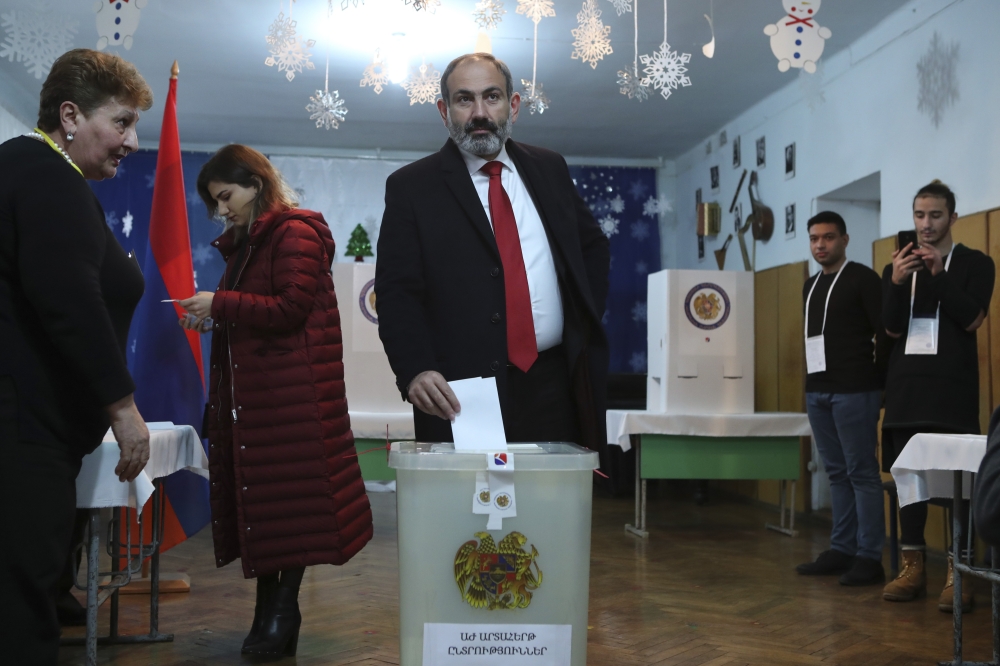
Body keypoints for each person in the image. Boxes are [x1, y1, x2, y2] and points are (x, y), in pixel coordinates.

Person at [179, 144, 373, 657]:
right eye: (215, 203)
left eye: (226, 197)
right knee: (270, 513)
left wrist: (220, 302)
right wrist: (214, 317)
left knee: (289, 513)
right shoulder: (251, 242)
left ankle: (280, 613)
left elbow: (289, 308)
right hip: (268, 400)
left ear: (256, 184)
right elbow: (263, 312)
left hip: (294, 401)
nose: (222, 211)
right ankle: (273, 614)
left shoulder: (295, 233)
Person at [374, 53, 610, 451]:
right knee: (468, 509)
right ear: (443, 111)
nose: (480, 112)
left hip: (555, 382)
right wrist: (414, 369)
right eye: (464, 99)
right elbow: (397, 293)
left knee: (550, 505)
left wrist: (581, 323)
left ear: (513, 105)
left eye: (492, 97)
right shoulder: (411, 188)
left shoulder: (550, 168)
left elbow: (591, 247)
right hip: (459, 392)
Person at [0, 48, 152, 665]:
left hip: (27, 427)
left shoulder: (32, 169)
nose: (132, 141)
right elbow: (68, 300)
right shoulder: (44, 174)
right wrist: (122, 406)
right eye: (121, 123)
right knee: (20, 608)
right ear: (70, 115)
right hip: (22, 431)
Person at [880, 180, 994, 611]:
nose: (926, 225)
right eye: (919, 215)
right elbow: (890, 329)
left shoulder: (974, 263)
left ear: (952, 218)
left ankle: (957, 571)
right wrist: (895, 281)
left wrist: (938, 275)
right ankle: (912, 568)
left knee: (955, 483)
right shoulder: (900, 266)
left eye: (935, 215)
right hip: (906, 387)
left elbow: (972, 319)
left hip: (951, 389)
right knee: (911, 480)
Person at [795, 212, 887, 586]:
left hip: (855, 390)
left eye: (829, 237)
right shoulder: (810, 285)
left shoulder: (863, 279)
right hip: (817, 389)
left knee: (862, 472)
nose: (821, 245)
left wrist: (880, 385)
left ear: (845, 240)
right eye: (815, 238)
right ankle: (842, 548)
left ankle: (870, 557)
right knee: (836, 472)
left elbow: (886, 334)